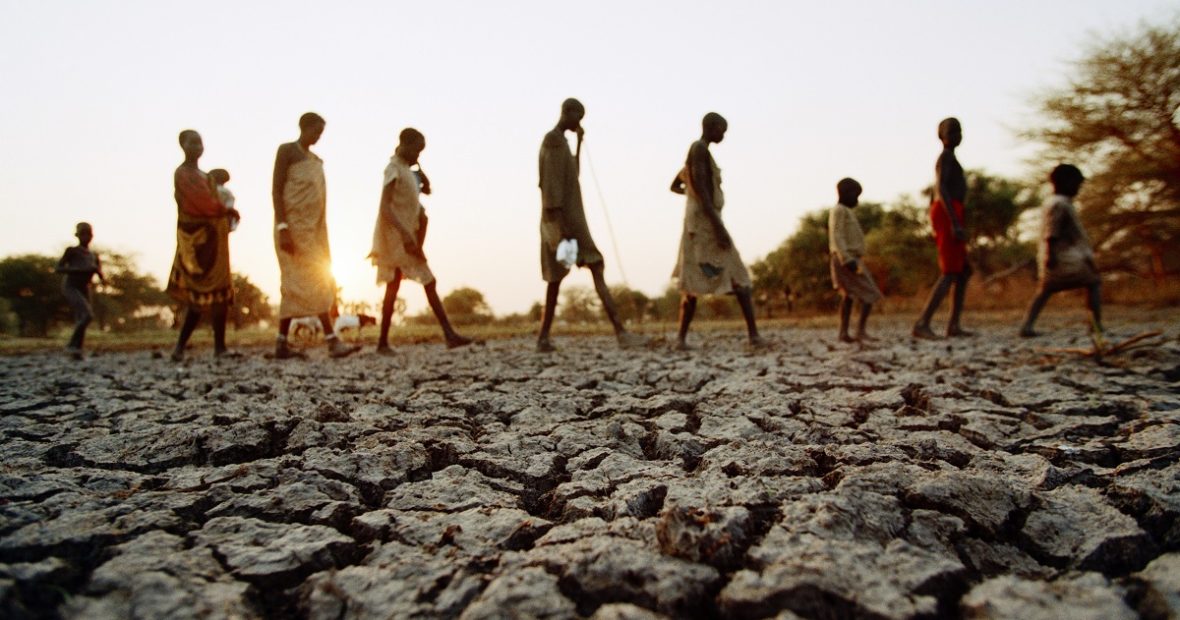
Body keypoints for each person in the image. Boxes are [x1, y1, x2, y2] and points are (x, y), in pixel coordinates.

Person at [536, 98, 647, 352]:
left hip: (566, 220)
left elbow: (572, 173)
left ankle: (544, 338)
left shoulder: (562, 141)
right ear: (568, 112)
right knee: (581, 269)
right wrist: (562, 229)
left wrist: (579, 142)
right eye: (579, 116)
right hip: (562, 222)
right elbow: (551, 185)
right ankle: (620, 333)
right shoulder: (552, 140)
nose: (579, 122)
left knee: (566, 276)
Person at [369, 128, 473, 353]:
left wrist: (419, 170)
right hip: (398, 238)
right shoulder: (393, 169)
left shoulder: (408, 170)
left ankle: (384, 342)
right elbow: (385, 207)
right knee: (420, 282)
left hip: (409, 236)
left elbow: (427, 190)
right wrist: (405, 235)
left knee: (398, 285)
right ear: (404, 145)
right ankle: (446, 334)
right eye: (417, 150)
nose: (419, 155)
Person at [669, 112, 764, 350]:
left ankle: (681, 339)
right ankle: (753, 336)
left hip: (701, 221)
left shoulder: (698, 153)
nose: (723, 135)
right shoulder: (699, 149)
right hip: (705, 225)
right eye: (722, 129)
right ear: (711, 127)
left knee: (693, 281)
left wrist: (692, 195)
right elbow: (700, 187)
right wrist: (717, 225)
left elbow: (678, 185)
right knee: (738, 277)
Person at [271, 112, 359, 359]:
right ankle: (327, 340)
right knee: (294, 282)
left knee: (319, 279)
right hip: (292, 228)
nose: (318, 137)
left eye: (322, 133)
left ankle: (289, 342)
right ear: (303, 127)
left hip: (314, 229)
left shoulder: (316, 160)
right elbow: (276, 190)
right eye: (315, 131)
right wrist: (282, 227)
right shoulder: (287, 151)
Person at [166, 130, 238, 361]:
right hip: (197, 242)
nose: (198, 146)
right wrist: (225, 210)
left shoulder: (205, 175)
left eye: (200, 142)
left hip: (216, 240)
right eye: (192, 142)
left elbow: (214, 201)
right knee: (197, 297)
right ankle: (179, 347)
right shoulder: (183, 173)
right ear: (182, 145)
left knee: (220, 296)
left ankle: (220, 347)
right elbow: (202, 203)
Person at [1019, 164, 1103, 337]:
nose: (1078, 189)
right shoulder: (1059, 204)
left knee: (1045, 290)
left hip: (1059, 255)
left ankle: (1026, 326)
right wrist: (1051, 255)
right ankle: (1095, 325)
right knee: (1093, 282)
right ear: (1066, 183)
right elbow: (1052, 231)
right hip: (1062, 256)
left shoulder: (1057, 203)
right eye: (1076, 184)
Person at [913, 117, 972, 339]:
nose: (957, 135)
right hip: (948, 212)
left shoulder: (951, 158)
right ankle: (922, 323)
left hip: (951, 211)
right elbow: (941, 189)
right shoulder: (945, 158)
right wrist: (954, 222)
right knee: (950, 271)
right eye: (952, 131)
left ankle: (954, 325)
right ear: (942, 136)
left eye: (959, 131)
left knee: (963, 270)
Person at [828, 178, 883, 342]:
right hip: (846, 259)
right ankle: (858, 330)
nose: (857, 200)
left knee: (849, 295)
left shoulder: (846, 211)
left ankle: (846, 332)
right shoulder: (839, 211)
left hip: (851, 258)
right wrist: (846, 259)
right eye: (855, 196)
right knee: (869, 292)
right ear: (846, 194)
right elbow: (837, 236)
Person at [55, 222, 105, 359]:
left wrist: (98, 273)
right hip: (71, 285)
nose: (86, 237)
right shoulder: (72, 251)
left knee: (81, 317)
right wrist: (77, 270)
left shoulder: (93, 255)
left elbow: (100, 274)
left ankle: (78, 349)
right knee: (87, 315)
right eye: (83, 233)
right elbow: (58, 268)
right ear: (77, 235)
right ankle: (71, 345)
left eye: (88, 234)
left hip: (85, 287)